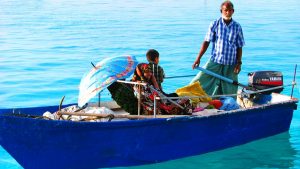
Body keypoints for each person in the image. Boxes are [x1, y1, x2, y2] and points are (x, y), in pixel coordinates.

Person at [191, 0, 245, 97]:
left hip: (231, 64)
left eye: (230, 10)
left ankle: (229, 106)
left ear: (233, 11)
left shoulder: (237, 27)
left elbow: (239, 46)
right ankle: (188, 98)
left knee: (230, 88)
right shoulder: (215, 24)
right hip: (215, 61)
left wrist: (239, 63)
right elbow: (206, 42)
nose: (228, 12)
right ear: (221, 11)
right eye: (225, 10)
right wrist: (198, 58)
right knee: (200, 81)